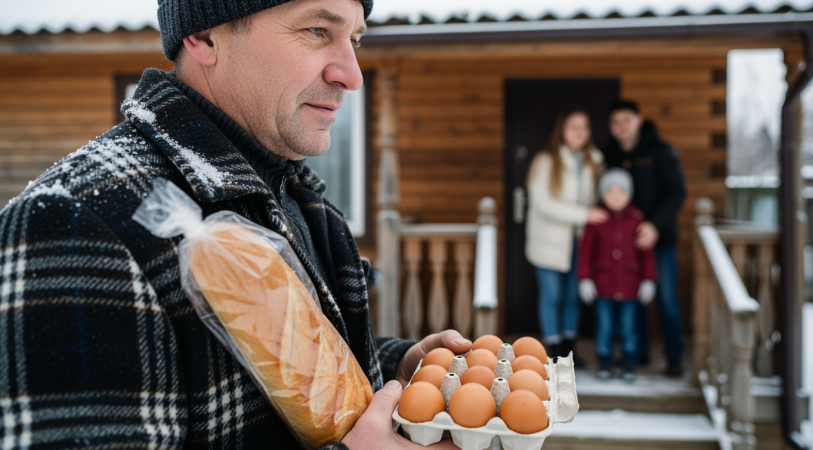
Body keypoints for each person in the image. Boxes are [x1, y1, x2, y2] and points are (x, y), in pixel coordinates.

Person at [0, 1, 467, 448]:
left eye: (355, 40)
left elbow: (273, 357)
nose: (351, 75)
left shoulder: (296, 194)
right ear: (204, 35)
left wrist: (388, 366)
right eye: (317, 31)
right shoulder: (75, 220)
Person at [603, 100, 687, 377]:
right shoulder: (610, 156)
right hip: (625, 245)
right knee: (632, 298)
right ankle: (638, 354)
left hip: (659, 240)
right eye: (616, 122)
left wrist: (654, 226)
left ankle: (674, 357)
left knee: (665, 298)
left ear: (638, 120)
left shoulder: (661, 152)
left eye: (626, 120)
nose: (621, 126)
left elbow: (677, 193)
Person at [525, 108, 606, 365]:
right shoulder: (546, 160)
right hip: (548, 242)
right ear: (562, 130)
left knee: (573, 297)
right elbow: (543, 203)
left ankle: (569, 351)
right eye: (573, 126)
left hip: (580, 242)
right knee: (552, 295)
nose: (579, 132)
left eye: (584, 126)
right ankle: (554, 350)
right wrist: (584, 215)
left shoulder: (595, 159)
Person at [578, 169, 657, 383]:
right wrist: (585, 279)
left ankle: (629, 364)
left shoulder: (637, 221)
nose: (615, 195)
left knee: (629, 328)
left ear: (629, 194)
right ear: (603, 195)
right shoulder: (596, 221)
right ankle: (605, 363)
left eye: (620, 191)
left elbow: (647, 255)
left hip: (630, 288)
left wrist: (649, 280)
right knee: (604, 327)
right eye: (610, 191)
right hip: (603, 287)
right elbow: (585, 253)